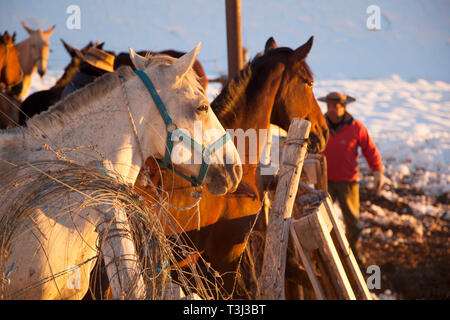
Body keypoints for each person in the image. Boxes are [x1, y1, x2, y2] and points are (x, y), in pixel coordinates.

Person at [319, 91, 384, 252]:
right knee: (321, 219)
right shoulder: (319, 125)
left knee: (353, 222)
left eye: (336, 106)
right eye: (329, 106)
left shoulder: (356, 127)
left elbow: (370, 150)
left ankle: (351, 253)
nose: (332, 109)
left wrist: (377, 171)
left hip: (347, 182)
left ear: (344, 107)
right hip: (323, 180)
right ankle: (324, 252)